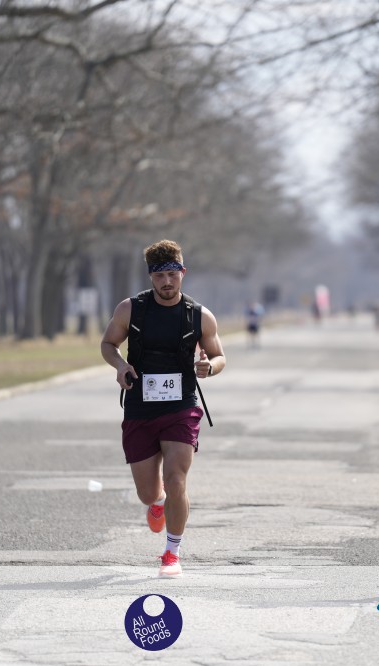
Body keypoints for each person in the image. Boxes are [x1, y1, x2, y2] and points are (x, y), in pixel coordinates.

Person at [100, 240, 226, 578]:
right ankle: (157, 504)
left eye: (173, 274)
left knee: (176, 478)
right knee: (147, 493)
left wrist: (210, 367)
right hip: (140, 406)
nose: (167, 282)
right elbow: (108, 344)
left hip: (181, 405)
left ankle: (172, 553)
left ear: (183, 273)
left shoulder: (199, 315)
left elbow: (219, 355)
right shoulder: (130, 309)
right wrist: (121, 366)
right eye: (159, 276)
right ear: (150, 277)